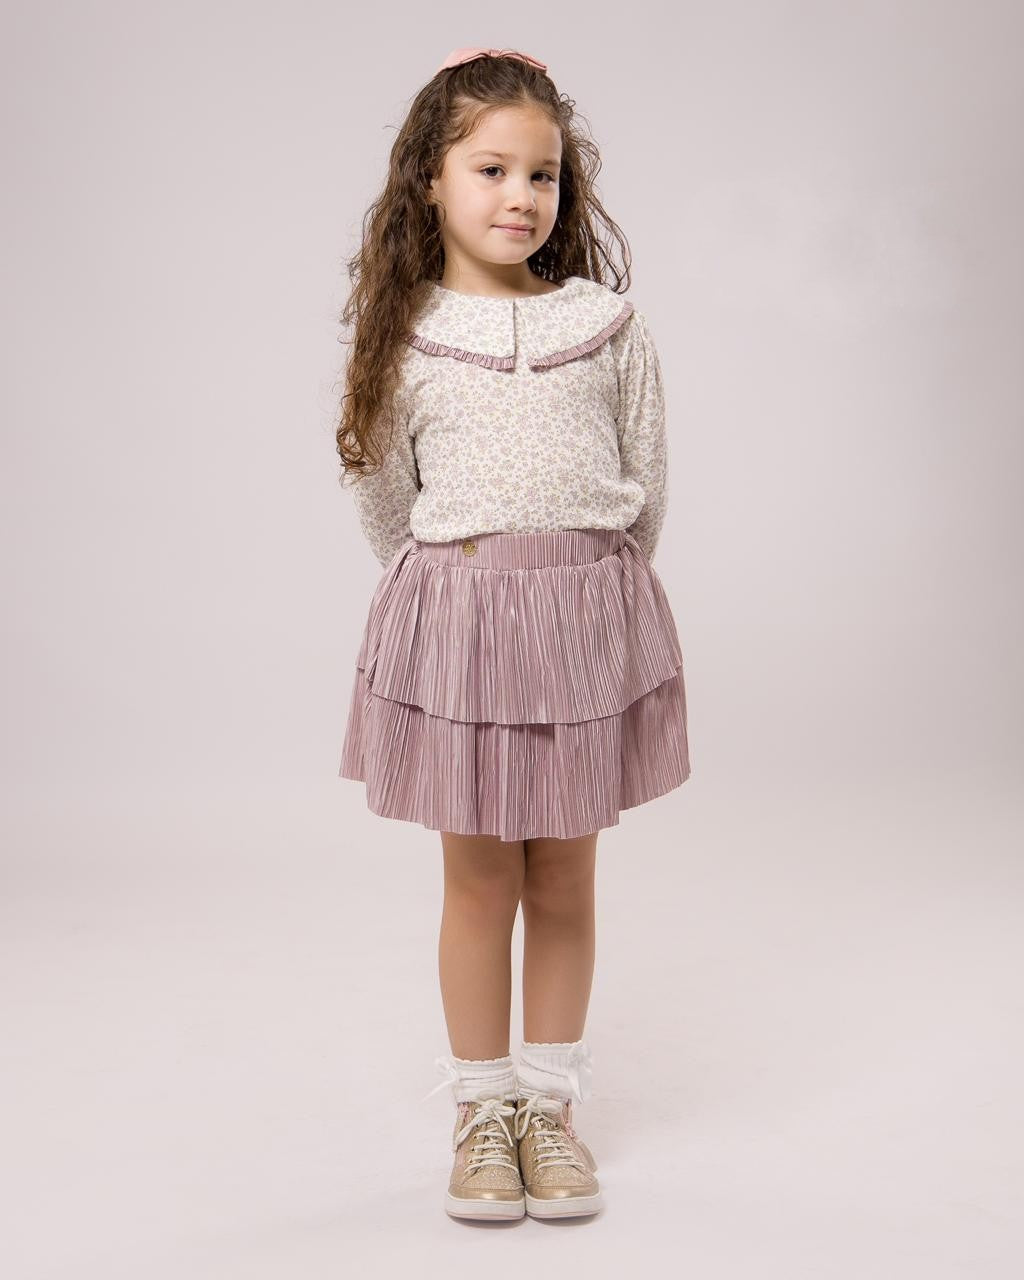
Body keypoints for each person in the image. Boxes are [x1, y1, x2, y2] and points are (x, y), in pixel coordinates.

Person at [334, 46, 692, 1221]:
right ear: (429, 180)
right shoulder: (407, 334)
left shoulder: (605, 323)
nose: (520, 196)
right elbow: (388, 505)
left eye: (542, 175)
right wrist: (471, 599)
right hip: (465, 628)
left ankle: (550, 1104)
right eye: (490, 169)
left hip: (583, 622)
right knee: (481, 875)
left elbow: (644, 486)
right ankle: (482, 1110)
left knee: (568, 874)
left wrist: (581, 599)